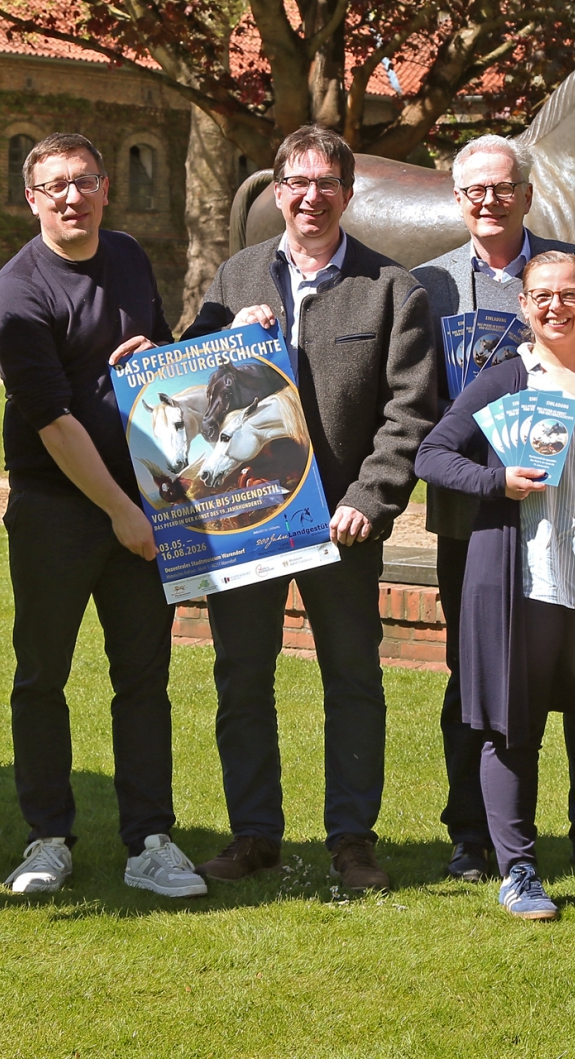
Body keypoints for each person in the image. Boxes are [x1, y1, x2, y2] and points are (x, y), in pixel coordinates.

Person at [183, 124, 437, 891]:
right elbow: (189, 390)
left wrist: (371, 498)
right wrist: (223, 334)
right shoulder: (236, 275)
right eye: (296, 182)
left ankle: (353, 839)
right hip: (250, 521)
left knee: (353, 679)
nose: (310, 197)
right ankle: (254, 833)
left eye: (326, 183)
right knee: (242, 678)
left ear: (348, 194)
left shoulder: (393, 287)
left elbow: (410, 410)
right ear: (277, 190)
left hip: (342, 524)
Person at [0, 132, 209, 900]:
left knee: (143, 678)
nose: (70, 196)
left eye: (83, 181)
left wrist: (159, 355)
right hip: (58, 510)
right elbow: (53, 421)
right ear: (32, 200)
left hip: (143, 505)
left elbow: (162, 375)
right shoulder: (18, 291)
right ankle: (48, 840)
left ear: (106, 187)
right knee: (42, 675)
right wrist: (119, 513)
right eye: (54, 187)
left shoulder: (130, 257)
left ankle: (150, 840)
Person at [412, 136, 575, 886]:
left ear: (526, 194)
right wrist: (488, 477)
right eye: (474, 189)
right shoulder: (430, 284)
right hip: (484, 532)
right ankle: (476, 837)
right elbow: (424, 419)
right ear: (457, 197)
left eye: (503, 187)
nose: (489, 200)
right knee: (480, 687)